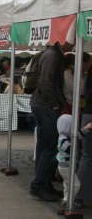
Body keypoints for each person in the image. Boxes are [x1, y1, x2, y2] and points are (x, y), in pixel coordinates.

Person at [29, 42, 73, 202]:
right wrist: (54, 103)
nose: (74, 43)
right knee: (52, 146)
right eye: (72, 40)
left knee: (44, 145)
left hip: (42, 105)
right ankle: (39, 185)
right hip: (46, 106)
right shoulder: (53, 55)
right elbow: (46, 82)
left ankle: (43, 184)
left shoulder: (51, 54)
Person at [56, 114, 92, 208]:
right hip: (65, 167)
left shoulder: (66, 137)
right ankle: (70, 201)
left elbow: (77, 137)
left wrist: (86, 129)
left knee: (67, 185)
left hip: (67, 166)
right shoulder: (63, 140)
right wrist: (77, 138)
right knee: (75, 185)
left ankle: (66, 200)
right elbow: (71, 147)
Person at [75, 64, 92, 207]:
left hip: (88, 112)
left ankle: (78, 195)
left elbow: (85, 91)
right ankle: (78, 195)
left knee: (86, 155)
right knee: (87, 156)